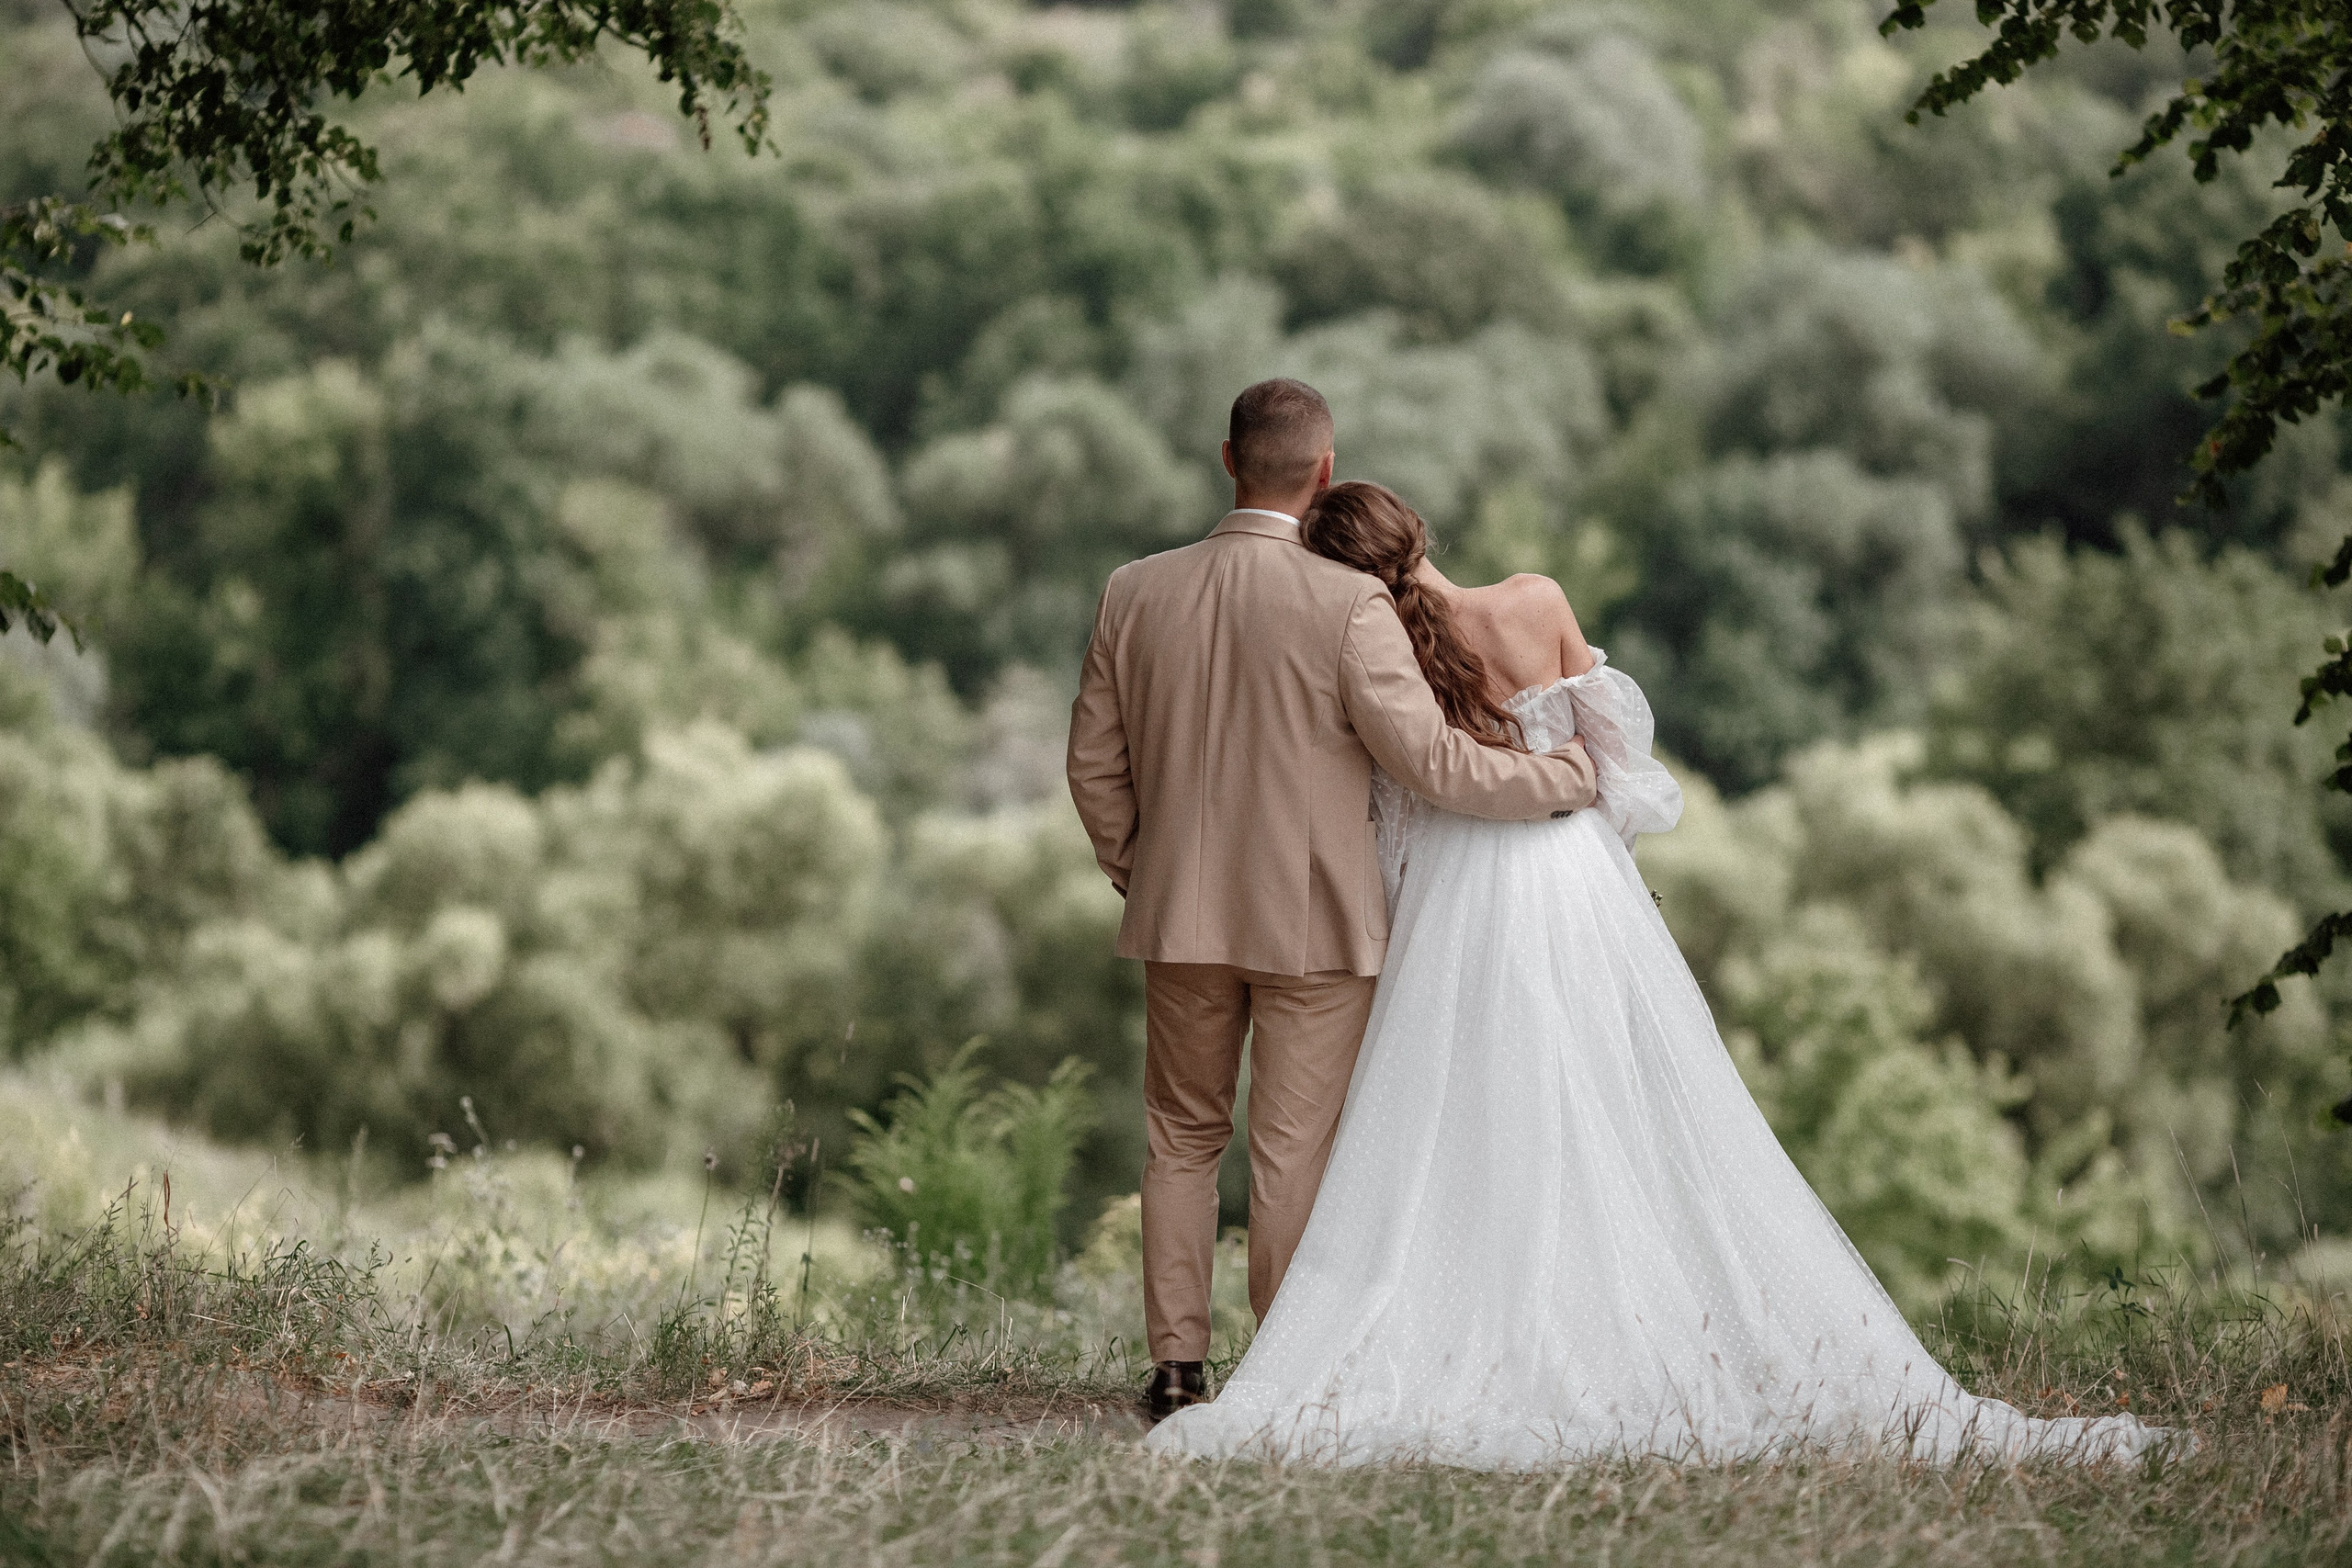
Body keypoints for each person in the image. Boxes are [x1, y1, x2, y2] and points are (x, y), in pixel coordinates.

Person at [1141, 479, 2172, 1466]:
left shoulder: (1378, 651)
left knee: (1463, 1120)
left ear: (1343, 572)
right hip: (1571, 877)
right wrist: (1613, 863)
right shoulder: (1534, 599)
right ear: (1417, 529)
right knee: (1612, 1104)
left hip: (1460, 893)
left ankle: (1476, 1311)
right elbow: (1617, 755)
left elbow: (1402, 802)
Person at [1065, 382, 1599, 1418]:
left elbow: (1094, 764)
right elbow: (1435, 764)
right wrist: (1568, 780)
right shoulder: (1346, 603)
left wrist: (1144, 867)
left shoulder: (1133, 590)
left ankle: (1177, 1372)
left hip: (1179, 918)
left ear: (1227, 459)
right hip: (1313, 923)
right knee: (1290, 1148)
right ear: (1322, 470)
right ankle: (1281, 1370)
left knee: (1180, 1139)